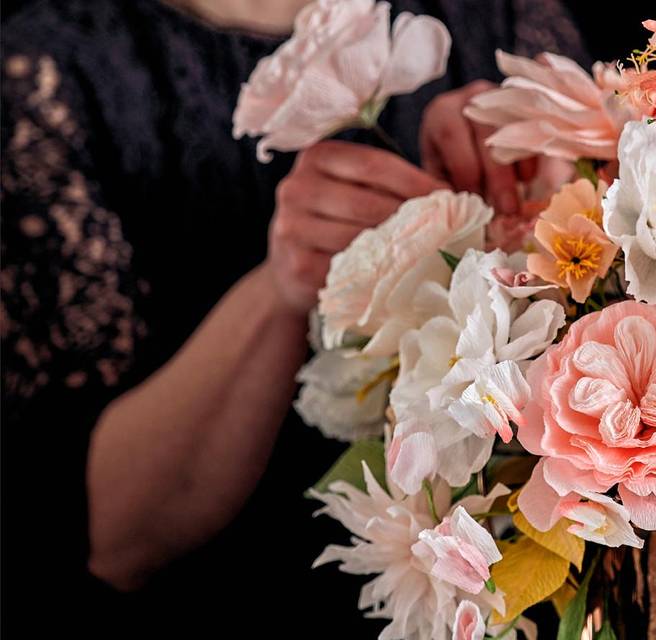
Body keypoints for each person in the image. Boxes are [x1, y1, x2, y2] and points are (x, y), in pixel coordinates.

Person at [0, 0, 590, 634]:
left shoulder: (499, 18)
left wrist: (547, 189)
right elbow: (109, 537)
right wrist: (286, 286)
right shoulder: (58, 69)